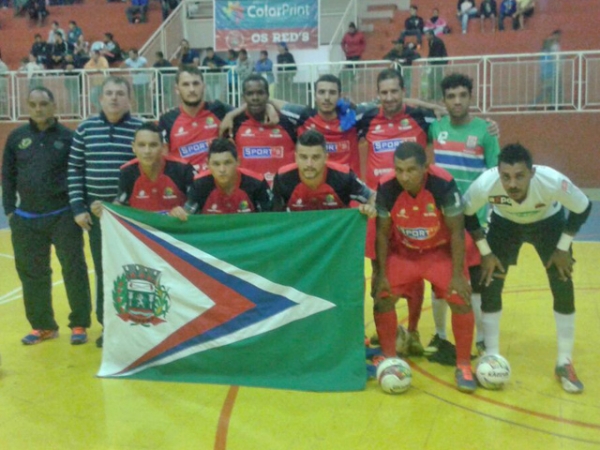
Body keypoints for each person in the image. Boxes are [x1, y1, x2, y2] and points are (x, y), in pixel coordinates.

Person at [463, 143, 592, 393]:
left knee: (562, 281)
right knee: (490, 281)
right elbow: (467, 213)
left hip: (548, 224)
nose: (512, 184)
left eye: (520, 176)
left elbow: (584, 207)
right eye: (506, 177)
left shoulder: (552, 181)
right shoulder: (486, 183)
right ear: (498, 173)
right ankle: (492, 354)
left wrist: (563, 247)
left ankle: (564, 362)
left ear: (532, 173)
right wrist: (485, 252)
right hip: (504, 225)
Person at [373, 141, 476, 393]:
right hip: (406, 254)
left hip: (438, 253)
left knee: (460, 298)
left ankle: (463, 364)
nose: (404, 177)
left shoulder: (443, 184)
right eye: (398, 170)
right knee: (383, 298)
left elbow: (456, 232)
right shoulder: (387, 187)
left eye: (411, 170)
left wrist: (457, 275)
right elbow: (382, 235)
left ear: (425, 168)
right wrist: (381, 274)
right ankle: (389, 358)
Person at [2, 87, 92, 345]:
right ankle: (43, 326)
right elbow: (7, 176)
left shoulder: (68, 137)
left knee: (74, 270)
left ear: (54, 106)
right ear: (27, 107)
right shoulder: (17, 137)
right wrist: (9, 209)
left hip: (62, 215)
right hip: (26, 218)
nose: (38, 108)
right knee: (32, 273)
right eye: (33, 104)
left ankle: (79, 323)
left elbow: (78, 174)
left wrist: (78, 207)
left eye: (43, 103)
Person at [426, 73, 500, 357]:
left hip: (475, 221)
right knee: (438, 282)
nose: (457, 101)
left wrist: (493, 212)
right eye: (451, 97)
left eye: (462, 96)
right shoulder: (436, 128)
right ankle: (440, 335)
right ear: (443, 101)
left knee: (477, 282)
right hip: (441, 221)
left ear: (471, 97)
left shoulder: (486, 131)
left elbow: (495, 175)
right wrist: (427, 105)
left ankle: (481, 338)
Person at [68, 76, 143, 348]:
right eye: (109, 93)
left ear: (129, 99)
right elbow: (74, 169)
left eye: (120, 93)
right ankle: (108, 324)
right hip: (98, 216)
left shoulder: (140, 129)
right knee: (104, 271)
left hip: (132, 217)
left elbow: (146, 169)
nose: (114, 98)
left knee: (135, 270)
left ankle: (138, 322)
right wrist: (79, 207)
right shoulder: (85, 129)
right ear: (100, 98)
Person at [92, 122, 194, 216]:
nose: (147, 151)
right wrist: (105, 209)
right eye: (141, 145)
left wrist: (185, 211)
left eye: (153, 145)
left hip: (175, 232)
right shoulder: (127, 172)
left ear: (163, 147)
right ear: (133, 147)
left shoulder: (183, 169)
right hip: (143, 234)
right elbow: (120, 203)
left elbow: (196, 204)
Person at [273, 129, 376, 216]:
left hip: (336, 237)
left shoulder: (343, 176)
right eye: (303, 157)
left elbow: (372, 196)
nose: (309, 164)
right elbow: (274, 216)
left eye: (315, 157)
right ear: (295, 158)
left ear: (326, 158)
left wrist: (370, 207)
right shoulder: (283, 178)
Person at [159, 65, 233, 172]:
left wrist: (231, 115)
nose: (192, 89)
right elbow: (163, 158)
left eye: (196, 83)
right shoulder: (167, 119)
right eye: (186, 84)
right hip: (184, 185)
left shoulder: (219, 109)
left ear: (204, 86)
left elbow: (248, 110)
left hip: (215, 182)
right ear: (177, 89)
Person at [177, 138, 272, 217]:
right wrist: (179, 214)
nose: (222, 169)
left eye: (227, 163)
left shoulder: (256, 183)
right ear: (207, 164)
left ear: (238, 161)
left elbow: (271, 219)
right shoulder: (200, 184)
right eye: (216, 164)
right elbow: (188, 215)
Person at [231, 74, 297, 185]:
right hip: (250, 195)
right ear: (243, 97)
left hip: (282, 195)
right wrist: (229, 116)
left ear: (268, 96)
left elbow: (308, 113)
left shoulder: (288, 122)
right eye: (250, 93)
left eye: (260, 93)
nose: (255, 98)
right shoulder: (235, 123)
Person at [535, 29, 562, 108]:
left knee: (555, 89)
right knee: (548, 90)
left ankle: (556, 104)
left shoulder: (556, 46)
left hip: (555, 71)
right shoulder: (547, 52)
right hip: (549, 73)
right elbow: (545, 63)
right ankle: (534, 104)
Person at [122, 48, 151, 116]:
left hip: (144, 82)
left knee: (144, 97)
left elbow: (147, 68)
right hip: (135, 82)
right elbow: (121, 67)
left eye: (131, 54)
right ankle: (140, 113)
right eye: (129, 54)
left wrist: (139, 70)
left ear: (136, 54)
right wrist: (127, 66)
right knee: (138, 98)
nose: (130, 56)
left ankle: (146, 113)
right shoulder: (129, 61)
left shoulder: (142, 60)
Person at [425, 30, 448, 101]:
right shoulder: (430, 42)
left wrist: (431, 62)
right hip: (434, 63)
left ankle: (438, 95)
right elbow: (431, 53)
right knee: (431, 79)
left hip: (439, 63)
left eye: (427, 35)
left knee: (438, 79)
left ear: (431, 35)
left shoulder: (437, 41)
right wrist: (428, 60)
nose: (426, 37)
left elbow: (437, 54)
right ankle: (432, 95)